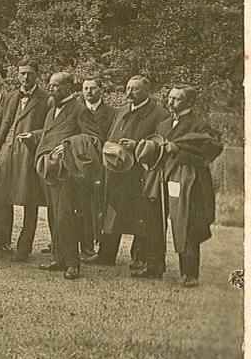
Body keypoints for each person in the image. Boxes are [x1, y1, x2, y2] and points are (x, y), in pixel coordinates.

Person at [0, 61, 49, 262]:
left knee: (29, 202)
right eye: (22, 73)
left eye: (30, 74)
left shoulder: (46, 99)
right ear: (17, 75)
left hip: (29, 154)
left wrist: (34, 135)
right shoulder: (9, 97)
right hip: (5, 153)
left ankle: (23, 249)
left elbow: (50, 129)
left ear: (36, 75)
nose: (26, 78)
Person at [31, 71, 104, 279]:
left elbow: (94, 138)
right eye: (51, 85)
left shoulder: (79, 110)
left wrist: (68, 146)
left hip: (68, 172)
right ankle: (59, 258)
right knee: (54, 215)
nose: (51, 89)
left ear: (68, 88)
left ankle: (73, 264)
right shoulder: (51, 110)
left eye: (55, 86)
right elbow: (49, 134)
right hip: (50, 170)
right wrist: (34, 137)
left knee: (65, 216)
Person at [92, 74, 168, 270]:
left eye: (135, 89)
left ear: (146, 91)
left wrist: (136, 145)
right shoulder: (122, 110)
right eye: (127, 88)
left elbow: (159, 145)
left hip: (139, 175)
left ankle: (139, 257)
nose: (129, 92)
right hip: (116, 171)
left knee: (140, 215)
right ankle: (106, 254)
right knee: (112, 212)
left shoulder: (159, 114)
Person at [156, 85, 223, 287]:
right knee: (156, 220)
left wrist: (177, 150)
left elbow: (208, 153)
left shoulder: (199, 125)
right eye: (169, 97)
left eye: (176, 99)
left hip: (189, 182)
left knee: (188, 225)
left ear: (188, 102)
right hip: (162, 178)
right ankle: (155, 266)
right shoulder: (163, 125)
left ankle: (190, 273)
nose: (170, 102)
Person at [79, 76, 116, 259]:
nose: (89, 92)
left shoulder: (111, 113)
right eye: (85, 88)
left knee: (98, 206)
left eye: (93, 88)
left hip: (101, 166)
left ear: (101, 90)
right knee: (79, 205)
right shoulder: (76, 111)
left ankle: (98, 244)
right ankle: (82, 244)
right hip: (80, 165)